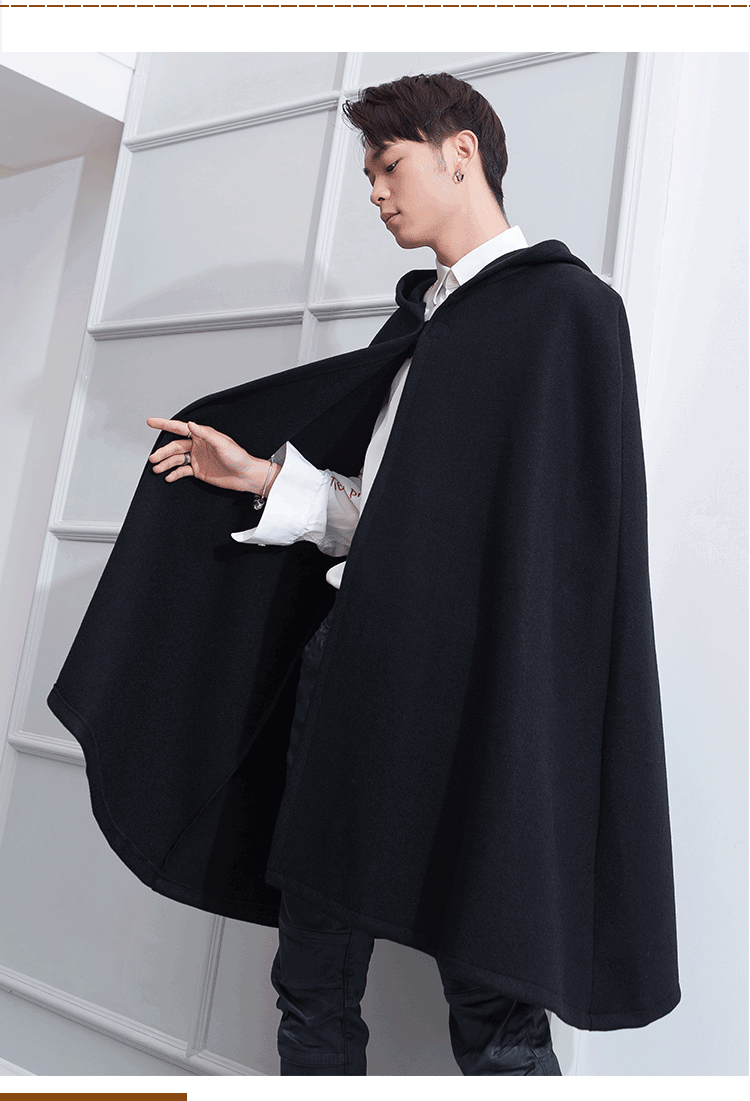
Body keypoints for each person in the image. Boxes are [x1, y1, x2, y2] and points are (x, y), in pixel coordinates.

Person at [49, 73, 680, 1077]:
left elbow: (566, 562)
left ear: (460, 153)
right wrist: (263, 477)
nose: (376, 193)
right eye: (367, 176)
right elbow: (388, 526)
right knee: (312, 981)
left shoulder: (568, 314)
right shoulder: (422, 327)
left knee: (495, 1002)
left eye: (389, 166)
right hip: (350, 678)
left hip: (479, 699)